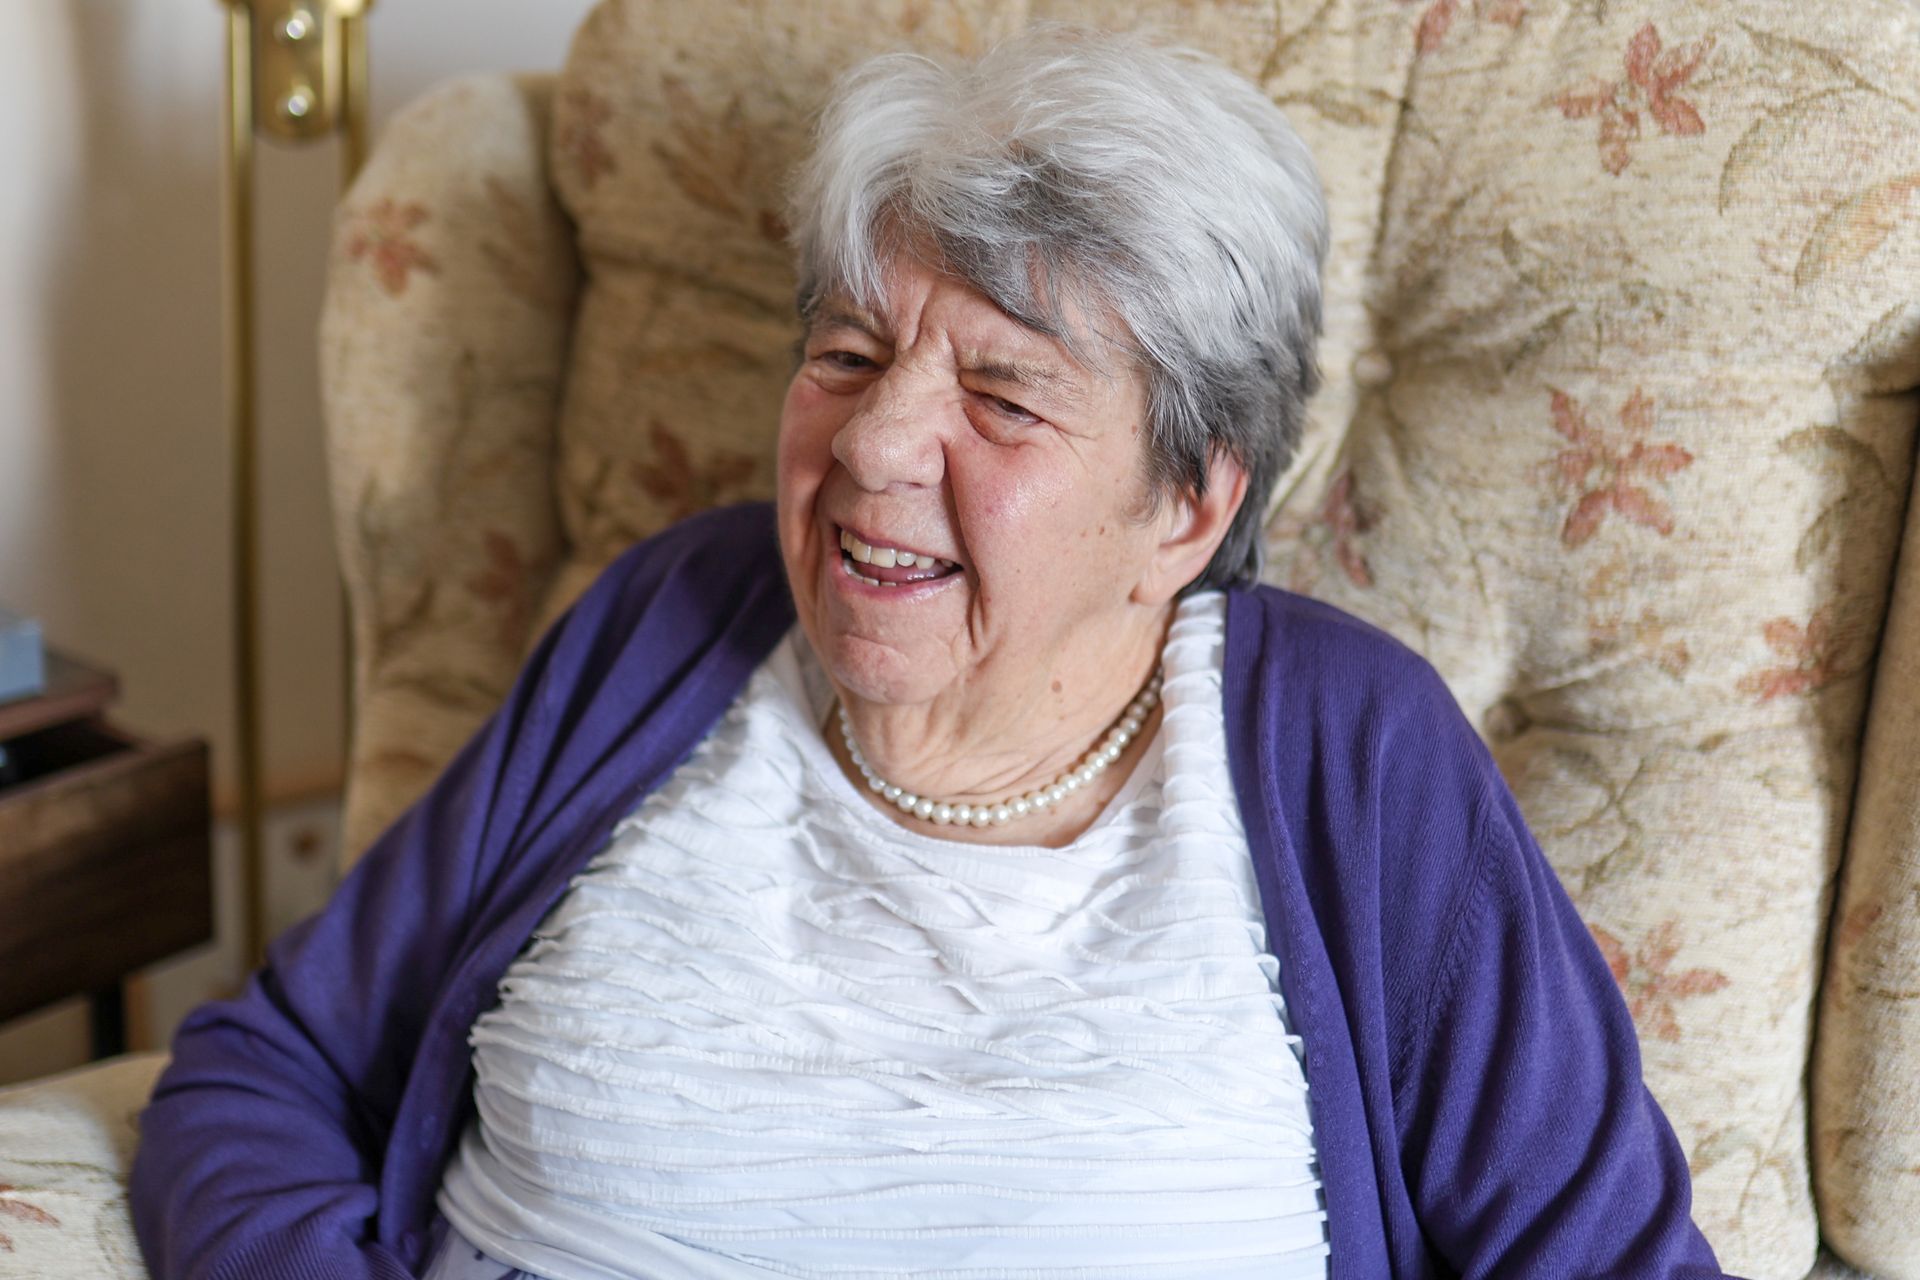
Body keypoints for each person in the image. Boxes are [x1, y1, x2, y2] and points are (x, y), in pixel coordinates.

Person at [130, 26, 1731, 1280]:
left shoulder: (1351, 752)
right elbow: (260, 1076)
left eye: (1007, 396)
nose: (877, 441)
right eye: (846, 353)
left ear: (1187, 501)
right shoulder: (666, 625)